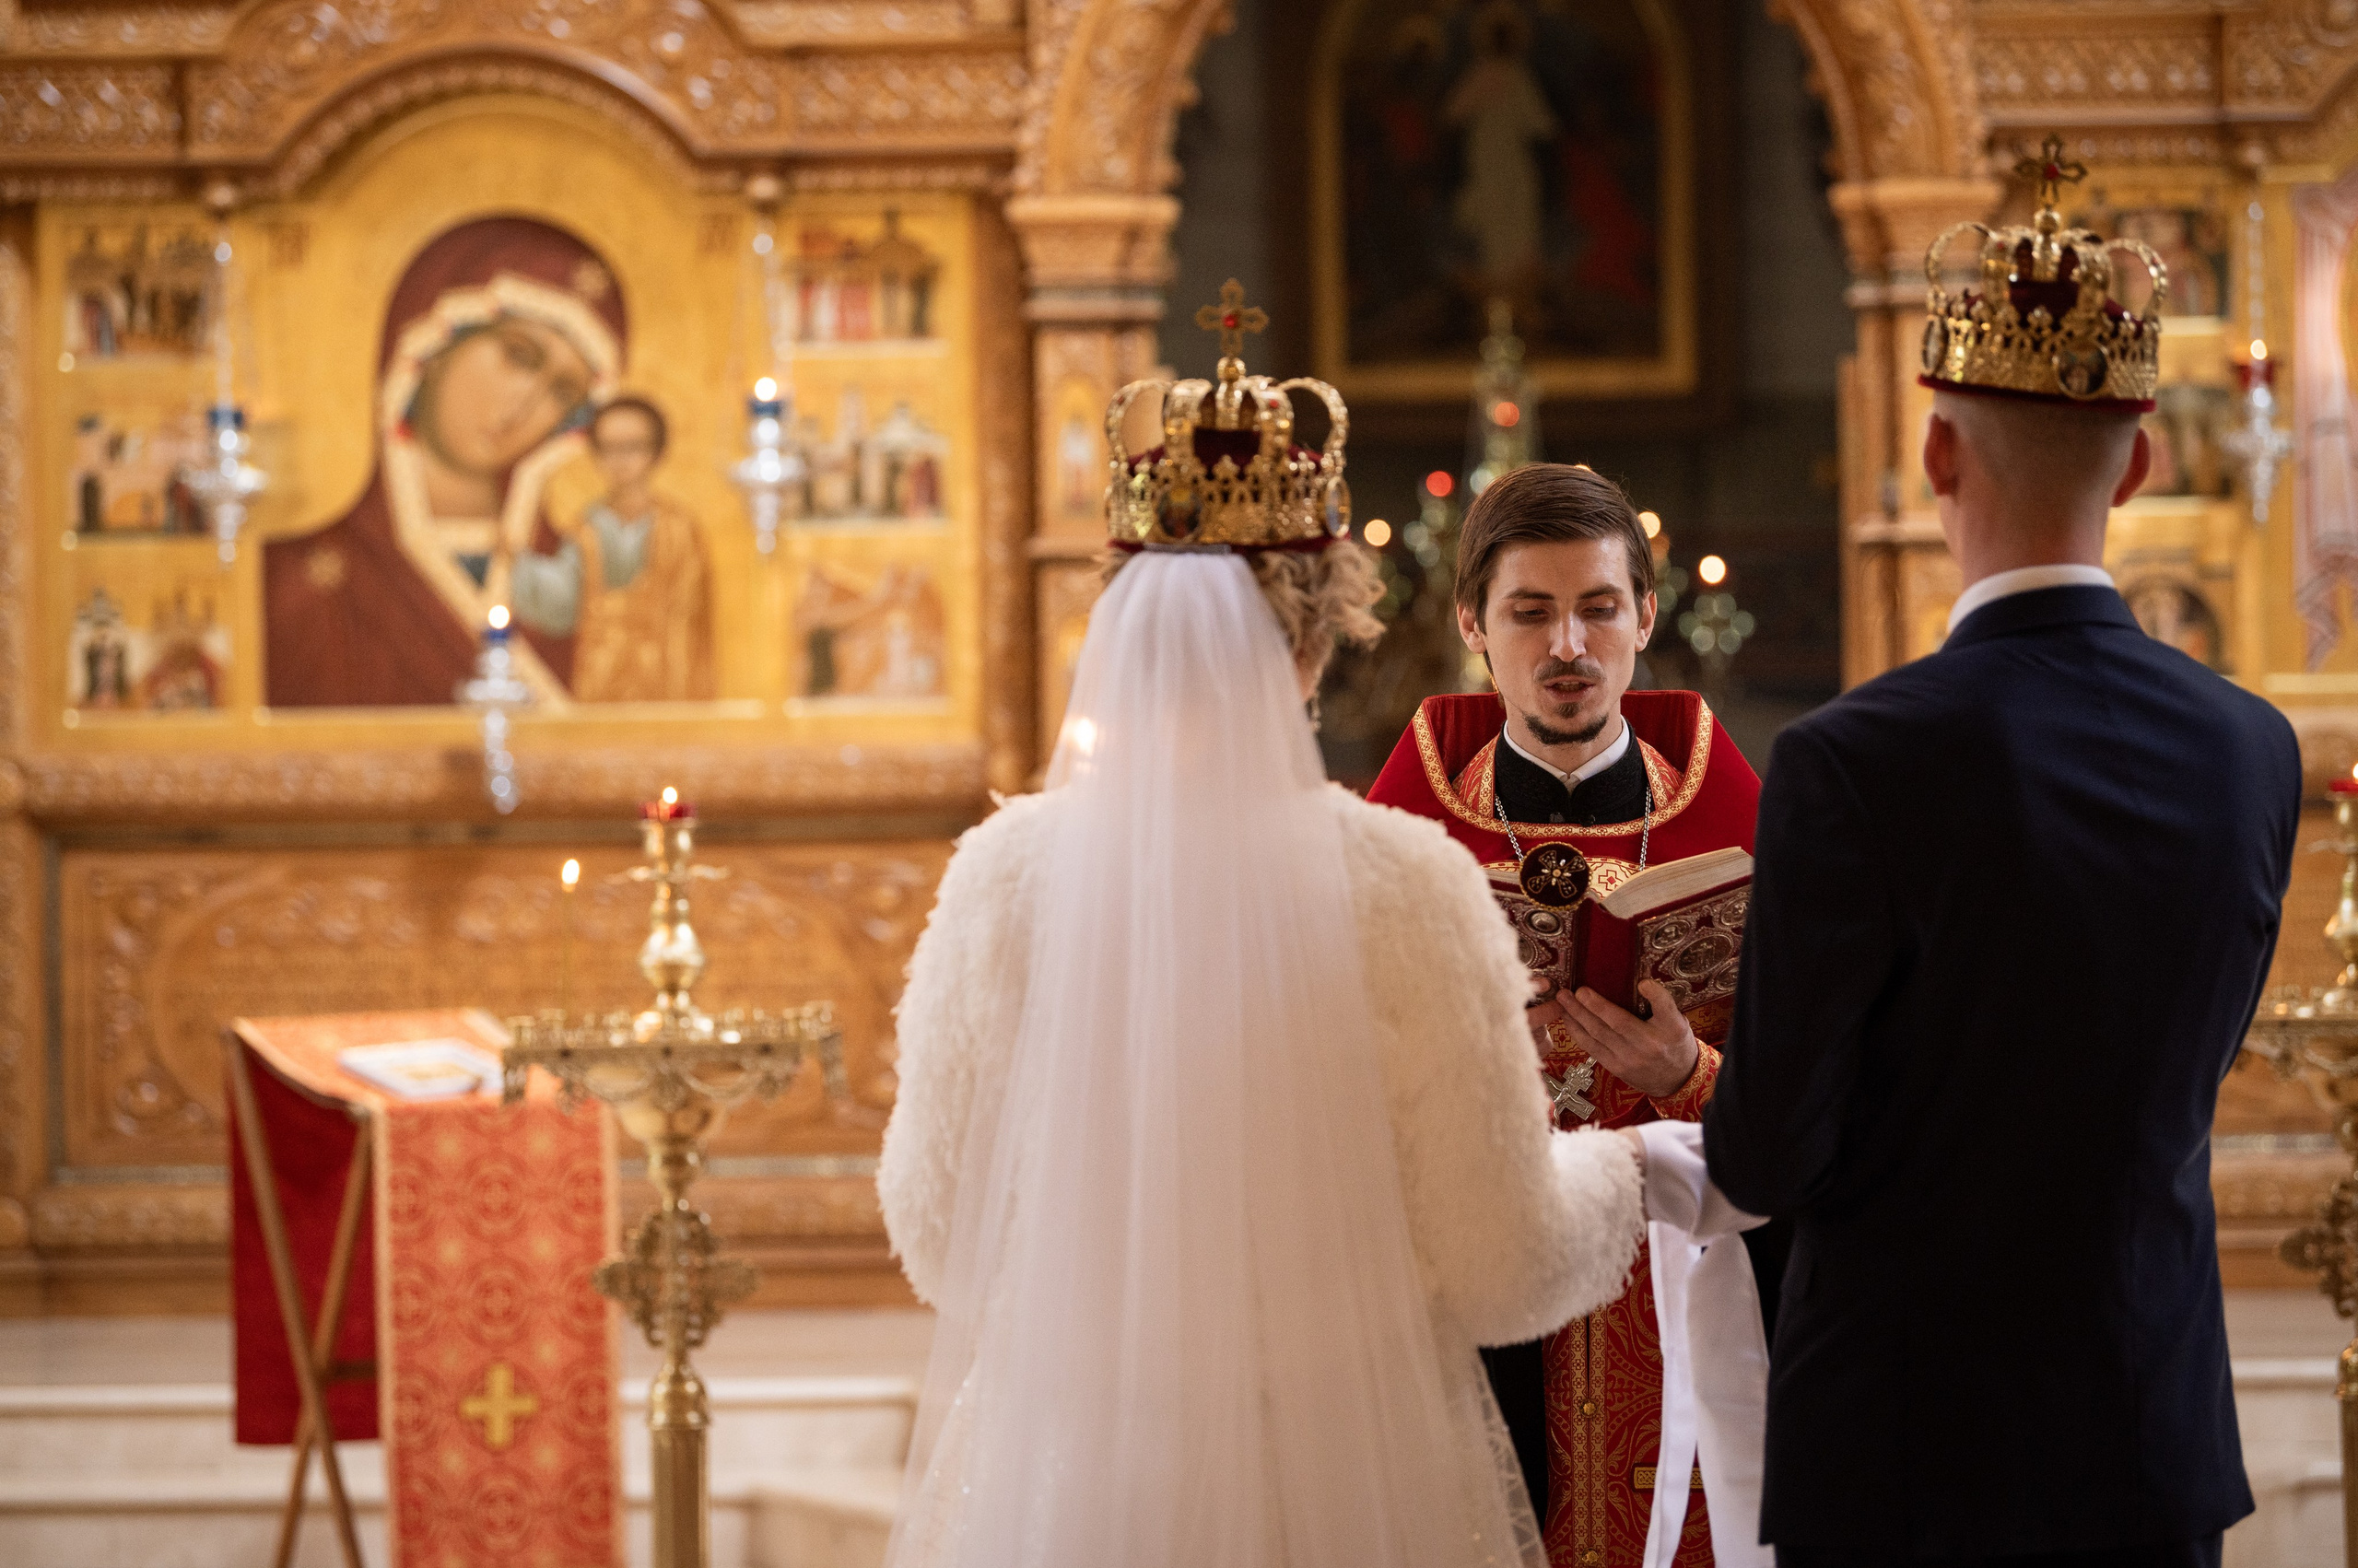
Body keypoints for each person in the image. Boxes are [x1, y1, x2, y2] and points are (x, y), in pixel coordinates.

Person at [877, 300, 1650, 1568]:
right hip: (1348, 1479)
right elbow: (1503, 1260)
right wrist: (1631, 1176)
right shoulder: (1402, 881)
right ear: (1311, 638)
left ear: (1118, 625)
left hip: (1083, 1473)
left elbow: (931, 1229)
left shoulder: (1003, 879)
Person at [1704, 157, 2300, 1566]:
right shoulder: (2251, 749)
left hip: (1904, 1453)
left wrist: (1701, 1073)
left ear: (1933, 456)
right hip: (2147, 1434)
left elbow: (1769, 1151)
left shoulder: (1853, 759)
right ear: (2140, 461)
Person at [1367, 461, 1770, 1568]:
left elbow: (1822, 1108)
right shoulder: (1397, 847)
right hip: (1473, 1300)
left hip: (1682, 1290)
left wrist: (1691, 1070)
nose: (1568, 649)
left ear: (1646, 614)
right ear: (1471, 625)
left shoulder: (1748, 833)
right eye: (1530, 613)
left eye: (1598, 609)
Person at [264, 215, 622, 706]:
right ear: (432, 343)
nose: (524, 406)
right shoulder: (298, 580)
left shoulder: (583, 583)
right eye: (519, 355)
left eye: (562, 391)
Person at [508, 396, 715, 702]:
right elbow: (563, 600)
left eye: (632, 447)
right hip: (601, 668)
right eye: (608, 449)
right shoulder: (587, 529)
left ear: (656, 451)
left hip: (664, 670)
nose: (620, 461)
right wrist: (519, 562)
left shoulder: (678, 527)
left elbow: (690, 612)